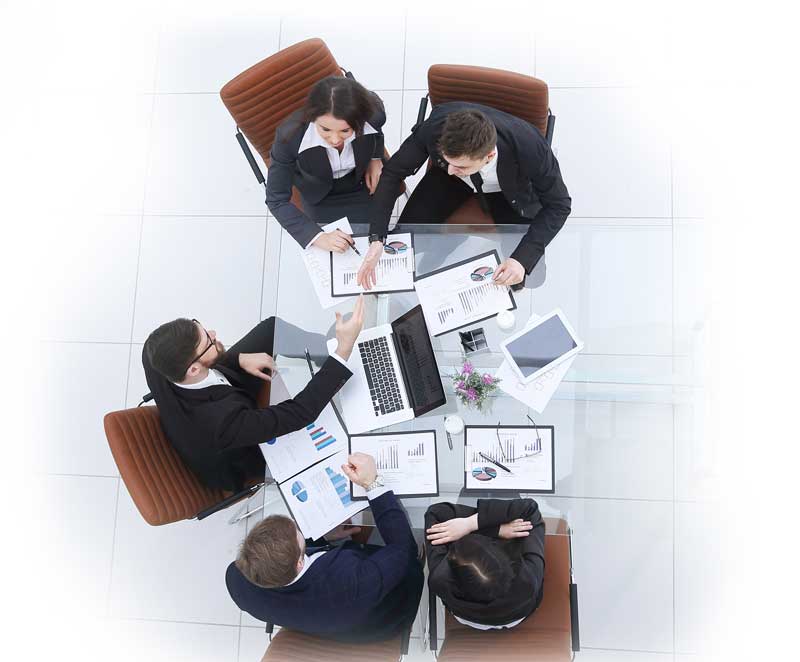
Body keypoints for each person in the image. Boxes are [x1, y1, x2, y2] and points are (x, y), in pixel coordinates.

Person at [141, 296, 364, 492]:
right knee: (316, 426)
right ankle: (341, 354)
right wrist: (343, 351)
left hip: (221, 394)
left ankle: (328, 351)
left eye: (201, 327)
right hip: (243, 454)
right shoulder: (224, 424)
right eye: (207, 341)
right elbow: (299, 413)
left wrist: (237, 359)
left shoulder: (155, 354)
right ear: (193, 369)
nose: (213, 334)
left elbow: (188, 355)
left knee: (271, 329)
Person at [357, 102, 571, 289]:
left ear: (489, 156)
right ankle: (441, 248)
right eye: (447, 160)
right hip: (451, 185)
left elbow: (560, 205)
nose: (451, 168)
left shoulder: (531, 148)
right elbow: (393, 173)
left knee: (529, 277)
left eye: (460, 165)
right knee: (402, 242)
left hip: (510, 195)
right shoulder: (435, 129)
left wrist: (520, 261)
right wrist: (377, 237)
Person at [226, 452, 424, 642]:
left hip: (321, 621)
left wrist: (322, 540)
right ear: (299, 563)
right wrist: (372, 483)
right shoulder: (350, 579)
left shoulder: (237, 581)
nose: (301, 529)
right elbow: (404, 550)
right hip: (383, 617)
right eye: (300, 535)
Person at [266, 75, 389, 252]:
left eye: (345, 130)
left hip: (359, 182)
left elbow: (377, 130)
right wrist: (317, 236)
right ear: (312, 117)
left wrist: (375, 158)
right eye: (325, 129)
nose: (335, 139)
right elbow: (276, 199)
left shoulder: (374, 114)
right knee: (335, 253)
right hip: (319, 194)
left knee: (374, 241)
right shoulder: (289, 137)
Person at [424, 497, 545, 629]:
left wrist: (471, 526)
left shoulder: (439, 579)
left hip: (465, 615)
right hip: (517, 614)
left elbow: (435, 513)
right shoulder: (528, 580)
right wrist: (482, 527)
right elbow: (530, 509)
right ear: (504, 557)